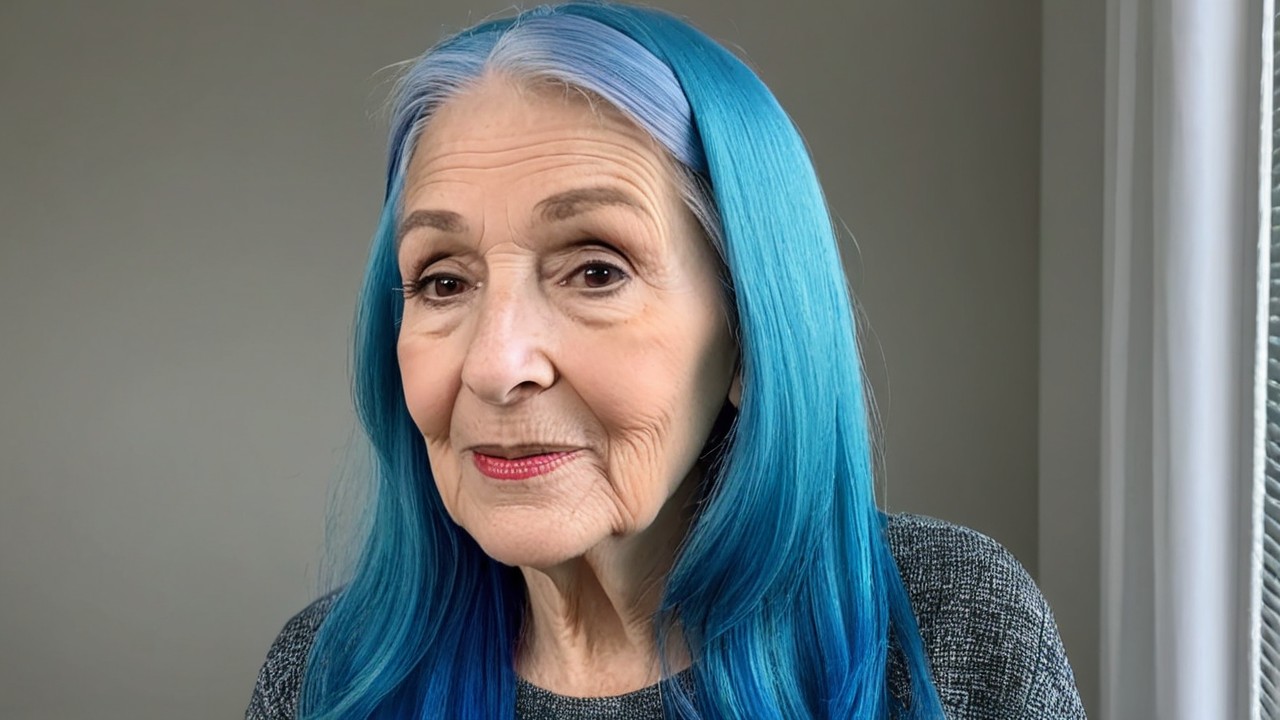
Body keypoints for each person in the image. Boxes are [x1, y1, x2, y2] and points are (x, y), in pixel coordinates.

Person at [246, 3, 1086, 718]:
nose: (496, 366)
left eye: (596, 271)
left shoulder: (947, 632)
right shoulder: (329, 676)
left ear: (749, 336)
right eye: (443, 281)